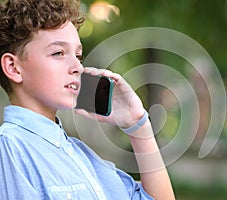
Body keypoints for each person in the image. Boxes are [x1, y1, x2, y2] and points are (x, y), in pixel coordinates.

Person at [0, 0, 175, 199]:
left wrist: (138, 126)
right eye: (58, 53)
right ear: (13, 68)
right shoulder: (9, 149)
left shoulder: (83, 156)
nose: (77, 67)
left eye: (78, 56)